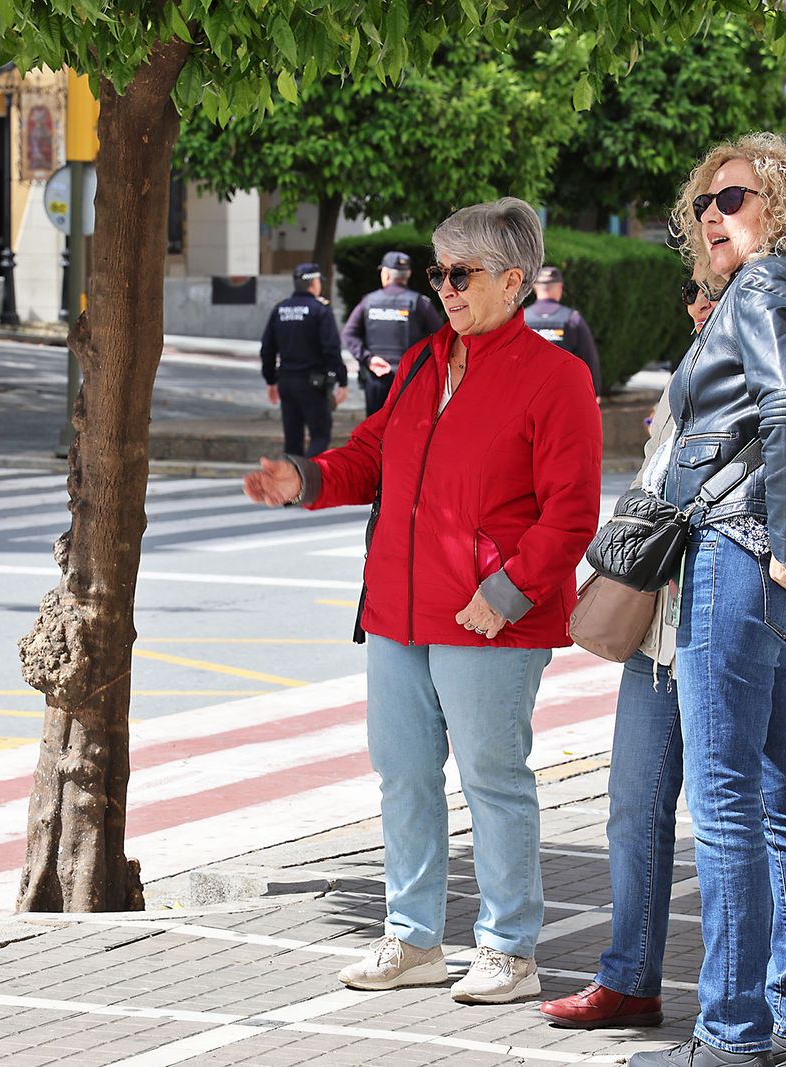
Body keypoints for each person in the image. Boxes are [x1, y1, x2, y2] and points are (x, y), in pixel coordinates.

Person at [243, 198, 602, 1006]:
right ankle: (413, 939)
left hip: (487, 617)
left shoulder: (556, 376)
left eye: (461, 272)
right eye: (439, 270)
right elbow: (371, 457)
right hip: (399, 611)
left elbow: (572, 511)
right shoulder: (421, 363)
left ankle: (510, 949)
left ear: (513, 280)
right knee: (403, 776)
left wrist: (507, 591)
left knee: (492, 780)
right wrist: (305, 478)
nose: (445, 285)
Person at [540, 270, 786, 1035]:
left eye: (719, 289)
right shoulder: (698, 375)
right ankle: (640, 979)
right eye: (692, 288)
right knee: (639, 807)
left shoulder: (780, 359)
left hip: (726, 618)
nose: (702, 301)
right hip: (662, 631)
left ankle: (743, 1027)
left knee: (738, 809)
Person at [625, 134, 786, 1067]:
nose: (712, 217)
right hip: (775, 567)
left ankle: (729, 1038)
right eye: (703, 206)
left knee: (726, 801)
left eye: (733, 197)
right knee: (783, 799)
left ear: (784, 204)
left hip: (742, 556)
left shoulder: (764, 289)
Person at [259, 263, 348, 457]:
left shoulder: (280, 309)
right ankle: (309, 482)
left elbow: (267, 349)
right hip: (312, 384)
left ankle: (294, 483)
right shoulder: (320, 310)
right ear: (313, 283)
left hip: (287, 382)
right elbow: (331, 349)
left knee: (292, 441)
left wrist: (271, 380)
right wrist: (342, 380)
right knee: (320, 436)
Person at [342, 250, 444, 415]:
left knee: (375, 433)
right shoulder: (419, 303)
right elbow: (441, 338)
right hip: (410, 380)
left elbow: (349, 334)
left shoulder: (368, 302)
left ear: (386, 274)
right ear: (408, 274)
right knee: (408, 431)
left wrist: (369, 359)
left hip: (377, 379)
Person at [524, 265, 602, 395]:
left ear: (535, 287)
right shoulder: (572, 319)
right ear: (560, 288)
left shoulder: (522, 319)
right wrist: (595, 392)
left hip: (527, 392)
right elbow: (589, 357)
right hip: (562, 393)